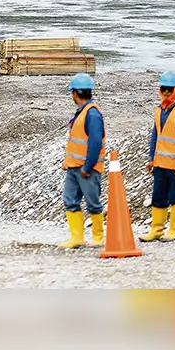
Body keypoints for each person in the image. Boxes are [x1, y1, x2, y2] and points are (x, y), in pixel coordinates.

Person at [141, 70, 175, 242]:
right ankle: (156, 229)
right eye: (163, 88)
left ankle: (174, 230)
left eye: (169, 89)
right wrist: (151, 159)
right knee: (158, 196)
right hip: (160, 164)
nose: (166, 92)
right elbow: (155, 136)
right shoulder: (159, 111)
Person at [59, 72, 107, 248]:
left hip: (87, 169)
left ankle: (98, 237)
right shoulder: (82, 113)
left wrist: (88, 166)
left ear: (75, 93)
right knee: (70, 200)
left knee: (93, 202)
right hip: (74, 168)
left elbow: (95, 143)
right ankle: (77, 238)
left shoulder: (92, 115)